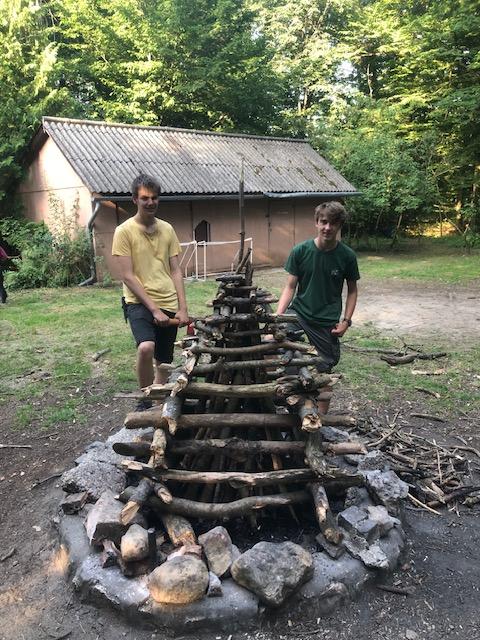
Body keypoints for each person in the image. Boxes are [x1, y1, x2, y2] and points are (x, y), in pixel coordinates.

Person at [112, 173, 189, 411]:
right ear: (135, 199)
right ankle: (145, 399)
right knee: (146, 347)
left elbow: (176, 270)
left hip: (168, 299)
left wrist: (183, 308)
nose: (150, 202)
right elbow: (127, 276)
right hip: (138, 301)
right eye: (145, 198)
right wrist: (154, 310)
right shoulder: (123, 231)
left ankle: (156, 403)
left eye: (154, 198)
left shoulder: (167, 229)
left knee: (163, 361)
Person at [276, 201, 360, 414]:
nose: (327, 227)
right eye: (324, 222)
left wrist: (346, 321)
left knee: (324, 371)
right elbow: (290, 287)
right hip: (299, 313)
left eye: (333, 223)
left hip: (326, 321)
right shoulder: (300, 251)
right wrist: (278, 317)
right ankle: (288, 403)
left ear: (339, 225)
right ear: (316, 222)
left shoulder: (347, 256)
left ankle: (321, 420)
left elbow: (352, 290)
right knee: (273, 346)